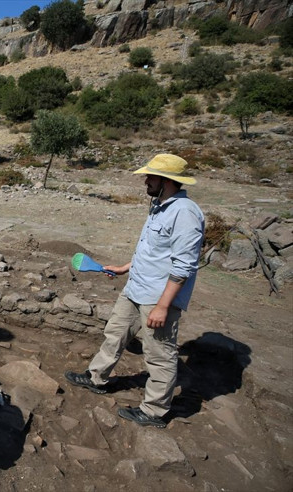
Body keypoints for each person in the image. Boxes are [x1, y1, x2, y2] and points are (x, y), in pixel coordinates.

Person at [65, 154, 205, 428]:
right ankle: (97, 378)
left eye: (150, 176)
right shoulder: (160, 205)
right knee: (115, 333)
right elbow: (152, 252)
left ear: (167, 181)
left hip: (157, 297)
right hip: (136, 287)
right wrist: (124, 267)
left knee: (160, 355)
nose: (145, 180)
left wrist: (163, 306)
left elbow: (182, 266)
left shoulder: (185, 213)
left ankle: (155, 411)